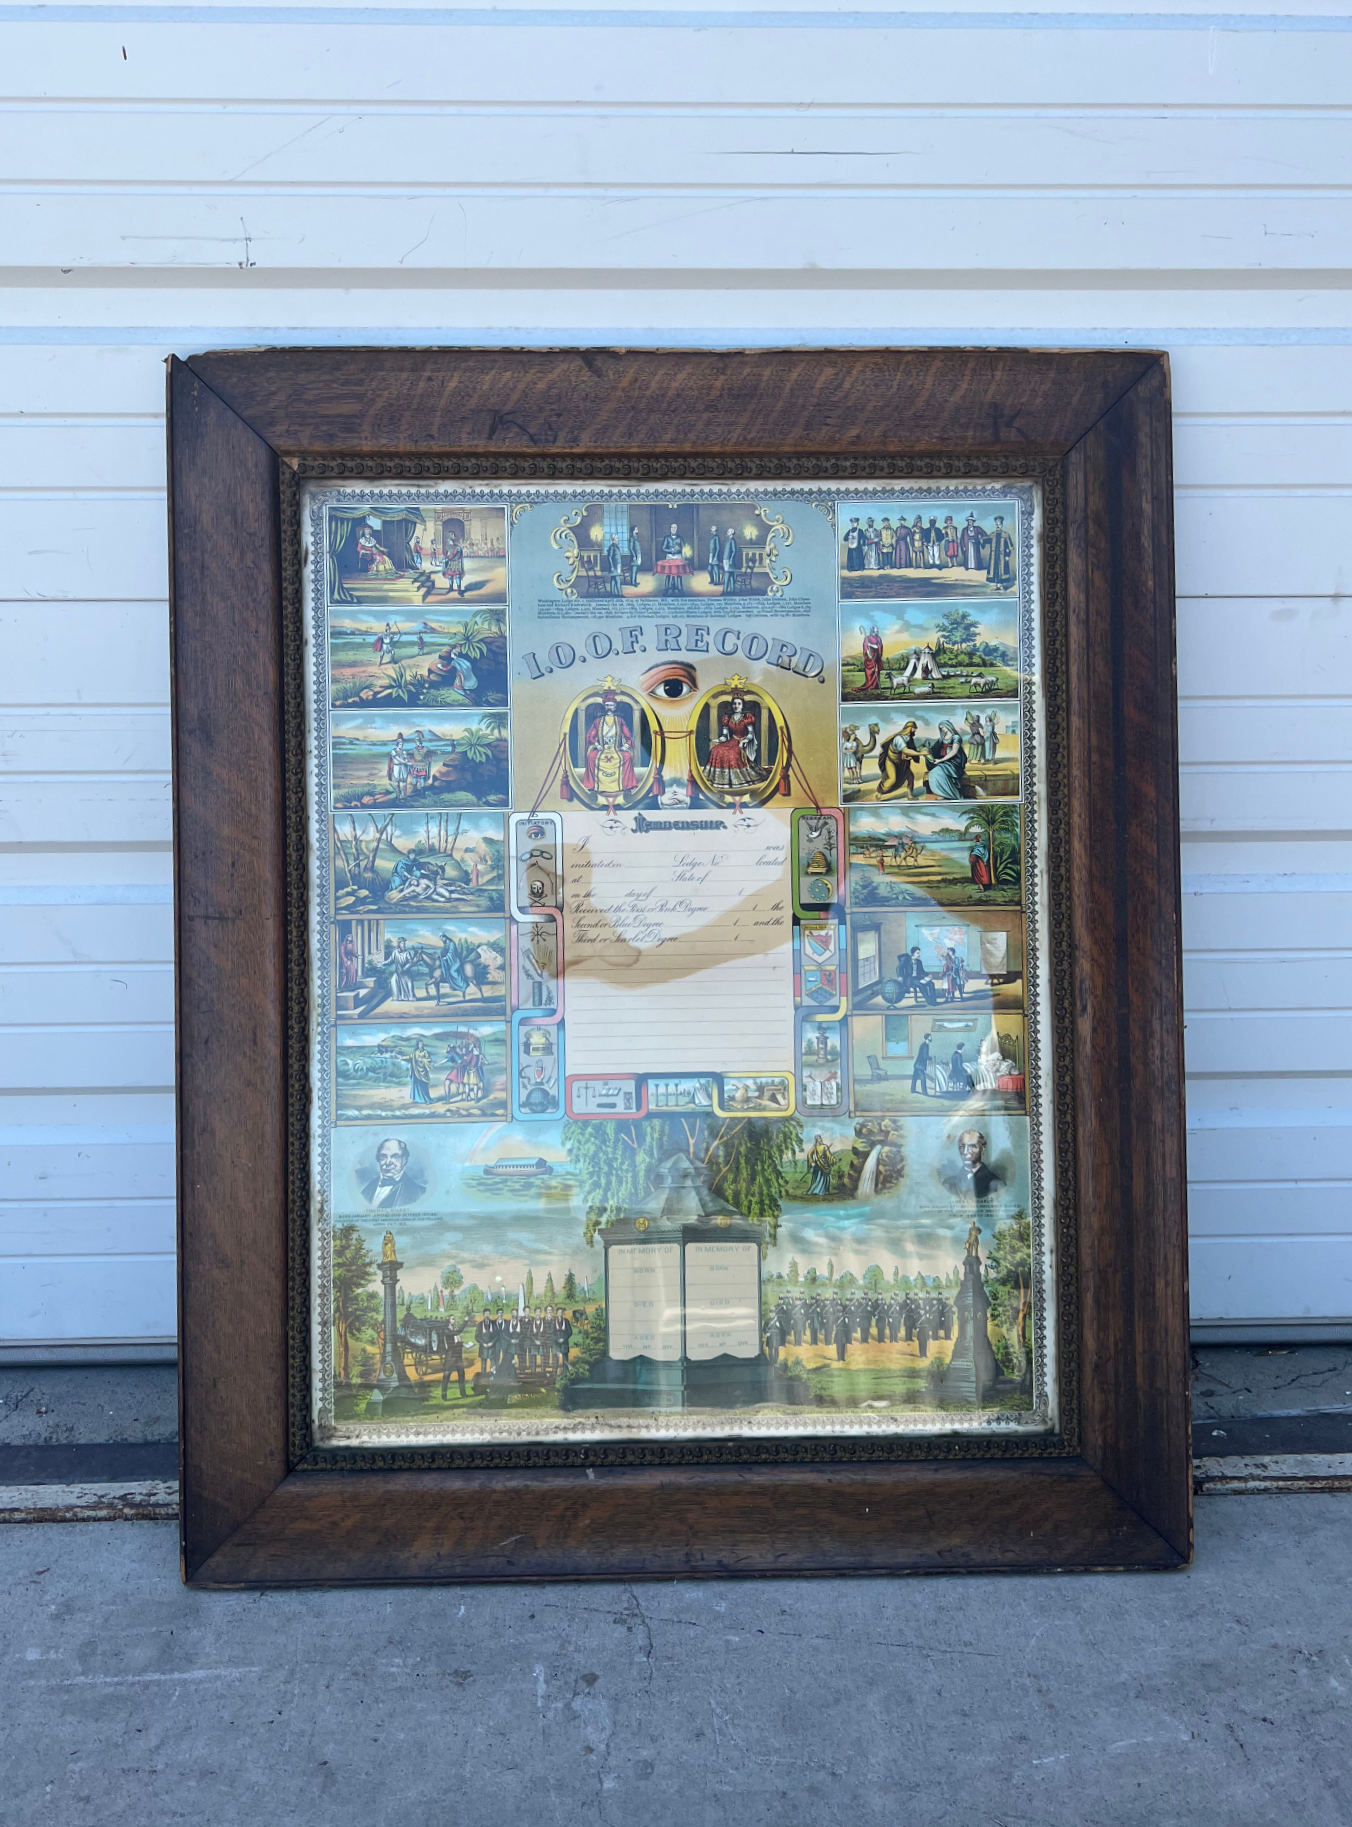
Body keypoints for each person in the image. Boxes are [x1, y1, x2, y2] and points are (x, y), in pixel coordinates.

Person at [582, 688, 639, 798]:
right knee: (591, 756)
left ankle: (626, 786)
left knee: (627, 756)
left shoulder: (620, 721)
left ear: (615, 707)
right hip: (602, 749)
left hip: (616, 749)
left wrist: (625, 747)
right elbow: (591, 736)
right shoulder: (598, 721)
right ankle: (592, 786)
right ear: (604, 707)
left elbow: (628, 738)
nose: (609, 707)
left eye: (611, 705)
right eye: (607, 705)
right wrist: (597, 745)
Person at [706, 693, 762, 793]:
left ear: (742, 705)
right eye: (734, 704)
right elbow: (724, 735)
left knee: (731, 754)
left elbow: (751, 734)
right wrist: (718, 740)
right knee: (715, 750)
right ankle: (720, 780)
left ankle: (737, 780)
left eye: (739, 704)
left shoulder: (746, 718)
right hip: (731, 741)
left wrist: (744, 741)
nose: (736, 706)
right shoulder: (727, 719)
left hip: (741, 741)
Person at [360, 1137, 425, 1209]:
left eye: (395, 1157)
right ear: (378, 1160)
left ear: (404, 1160)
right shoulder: (365, 1190)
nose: (388, 1162)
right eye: (383, 1157)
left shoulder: (420, 1192)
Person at [924, 722, 974, 799]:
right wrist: (927, 750)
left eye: (943, 727)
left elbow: (954, 752)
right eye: (940, 728)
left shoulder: (956, 737)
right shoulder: (943, 737)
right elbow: (935, 748)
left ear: (948, 726)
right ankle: (944, 794)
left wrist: (940, 760)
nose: (942, 729)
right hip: (944, 761)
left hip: (954, 762)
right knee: (934, 773)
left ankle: (952, 795)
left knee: (938, 772)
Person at [875, 721, 923, 799]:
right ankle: (879, 792)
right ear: (909, 728)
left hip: (902, 763)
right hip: (892, 761)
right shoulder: (898, 738)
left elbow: (910, 750)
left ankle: (910, 796)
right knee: (892, 780)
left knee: (910, 777)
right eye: (914, 728)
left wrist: (910, 756)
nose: (915, 730)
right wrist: (921, 753)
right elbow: (905, 750)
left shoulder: (909, 738)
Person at [657, 522, 689, 595]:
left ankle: (680, 588)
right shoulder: (666, 538)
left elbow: (684, 548)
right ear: (670, 529)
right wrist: (670, 550)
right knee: (668, 573)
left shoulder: (680, 538)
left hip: (678, 557)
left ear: (677, 529)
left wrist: (683, 555)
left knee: (679, 573)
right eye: (672, 527)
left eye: (675, 528)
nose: (673, 529)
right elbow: (663, 548)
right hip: (669, 557)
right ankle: (666, 588)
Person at [986, 514, 1016, 587]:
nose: (998, 526)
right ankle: (996, 584)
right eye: (996, 524)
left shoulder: (1006, 535)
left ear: (1002, 525)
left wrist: (1007, 555)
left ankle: (1000, 584)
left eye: (999, 524)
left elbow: (1009, 547)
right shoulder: (992, 535)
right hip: (994, 556)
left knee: (1002, 570)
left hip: (1003, 556)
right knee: (994, 569)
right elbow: (985, 540)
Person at [440, 1327, 466, 1399]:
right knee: (447, 1375)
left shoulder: (454, 1330)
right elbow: (457, 1333)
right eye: (452, 1319)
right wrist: (465, 1322)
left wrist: (463, 1344)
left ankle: (463, 1393)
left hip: (458, 1356)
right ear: (449, 1322)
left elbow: (457, 1340)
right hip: (451, 1357)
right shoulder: (447, 1330)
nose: (454, 1321)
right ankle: (444, 1395)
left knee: (461, 1374)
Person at [390, 934, 418, 1003]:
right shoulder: (395, 952)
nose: (404, 945)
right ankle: (397, 997)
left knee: (408, 985)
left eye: (404, 943)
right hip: (398, 973)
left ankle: (408, 997)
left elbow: (410, 962)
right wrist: (382, 963)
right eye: (402, 943)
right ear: (399, 944)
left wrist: (404, 968)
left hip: (406, 973)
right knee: (393, 981)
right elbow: (390, 960)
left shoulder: (407, 953)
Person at [407, 1037, 433, 1105]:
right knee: (416, 1085)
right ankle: (416, 1098)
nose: (422, 1045)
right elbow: (409, 1057)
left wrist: (422, 1060)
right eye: (420, 1044)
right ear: (418, 1045)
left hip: (423, 1072)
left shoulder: (425, 1052)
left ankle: (426, 1099)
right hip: (416, 1071)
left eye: (422, 1044)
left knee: (423, 1085)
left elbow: (428, 1060)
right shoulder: (414, 1053)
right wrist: (401, 1058)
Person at [860, 623, 884, 694]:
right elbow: (865, 647)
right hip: (870, 658)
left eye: (877, 629)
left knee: (876, 671)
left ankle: (875, 686)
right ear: (872, 630)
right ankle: (869, 686)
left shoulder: (878, 638)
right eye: (876, 629)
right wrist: (868, 653)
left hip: (876, 657)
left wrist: (871, 645)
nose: (877, 630)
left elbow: (879, 646)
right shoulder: (867, 638)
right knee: (869, 673)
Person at [442, 532, 466, 597]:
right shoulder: (447, 547)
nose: (450, 541)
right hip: (450, 563)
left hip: (456, 563)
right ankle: (450, 588)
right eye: (449, 540)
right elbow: (445, 554)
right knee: (450, 576)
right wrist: (445, 557)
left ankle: (459, 590)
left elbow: (454, 555)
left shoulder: (458, 548)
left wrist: (447, 558)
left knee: (458, 576)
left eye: (451, 540)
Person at [387, 732, 409, 799]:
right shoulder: (393, 751)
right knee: (397, 783)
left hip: (402, 767)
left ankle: (404, 796)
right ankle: (398, 797)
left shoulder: (404, 752)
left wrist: (407, 761)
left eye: (402, 744)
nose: (401, 745)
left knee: (404, 782)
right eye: (400, 744)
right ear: (397, 744)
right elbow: (398, 759)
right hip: (396, 767)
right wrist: (406, 762)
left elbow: (406, 758)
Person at [911, 1032, 932, 1097]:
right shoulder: (925, 1045)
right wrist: (930, 1058)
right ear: (927, 1038)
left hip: (918, 1064)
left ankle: (912, 1090)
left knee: (915, 1077)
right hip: (920, 1065)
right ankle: (924, 1092)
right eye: (930, 1037)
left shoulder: (924, 1044)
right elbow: (925, 1056)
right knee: (923, 1078)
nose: (931, 1038)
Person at [721, 527, 739, 595]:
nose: (727, 533)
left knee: (727, 574)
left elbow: (734, 551)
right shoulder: (729, 540)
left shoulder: (732, 541)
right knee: (731, 575)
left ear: (731, 533)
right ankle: (732, 589)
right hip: (726, 559)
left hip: (729, 560)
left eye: (728, 532)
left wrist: (731, 560)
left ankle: (725, 590)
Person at [605, 532, 624, 597]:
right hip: (614, 566)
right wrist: (612, 567)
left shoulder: (616, 546)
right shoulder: (612, 547)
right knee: (617, 580)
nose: (617, 538)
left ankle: (612, 593)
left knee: (613, 579)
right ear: (613, 539)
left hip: (617, 565)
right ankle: (620, 594)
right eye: (616, 537)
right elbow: (609, 557)